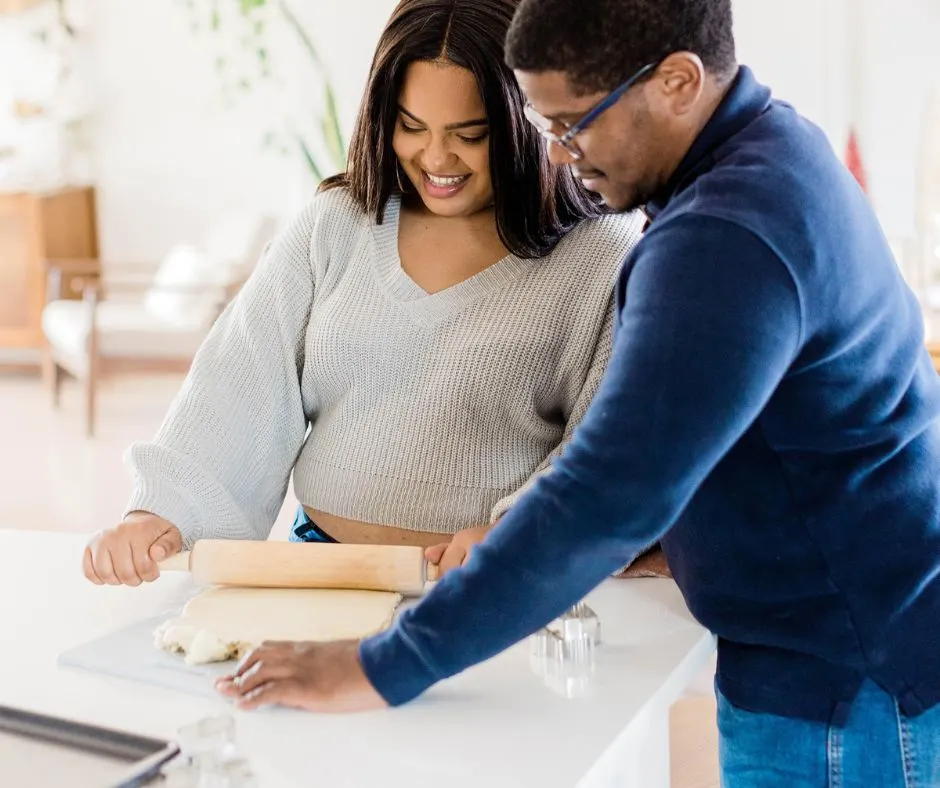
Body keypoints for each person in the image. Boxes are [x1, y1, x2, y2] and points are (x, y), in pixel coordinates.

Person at [217, 1, 940, 786]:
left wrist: (381, 667)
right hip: (848, 644)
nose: (558, 157)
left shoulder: (723, 236)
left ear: (676, 82)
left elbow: (604, 491)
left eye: (573, 124)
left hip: (843, 679)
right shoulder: (773, 147)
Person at [82, 0, 647, 587]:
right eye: (411, 126)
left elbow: (615, 441)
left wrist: (524, 530)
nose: (435, 158)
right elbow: (240, 379)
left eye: (470, 134)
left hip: (491, 584)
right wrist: (164, 510)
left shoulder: (602, 256)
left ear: (529, 124)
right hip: (320, 567)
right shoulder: (337, 223)